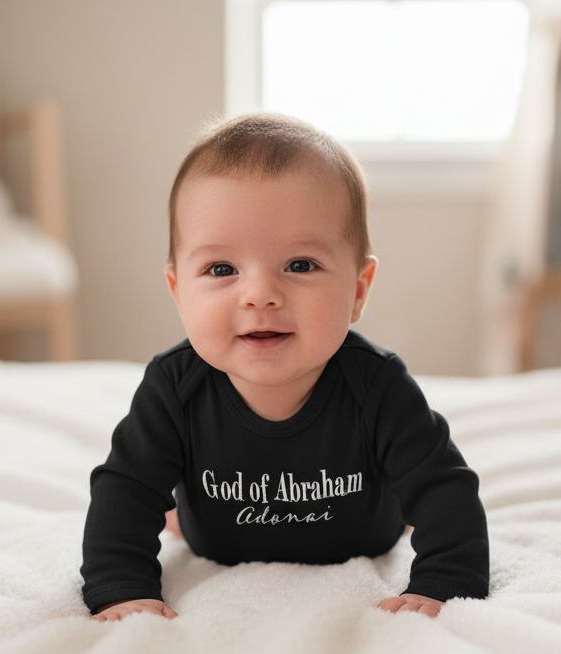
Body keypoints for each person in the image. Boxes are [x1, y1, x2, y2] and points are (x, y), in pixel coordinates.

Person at [81, 113, 489, 623]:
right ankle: (183, 515)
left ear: (358, 290)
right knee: (159, 501)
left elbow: (444, 487)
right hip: (214, 539)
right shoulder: (174, 387)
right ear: (178, 292)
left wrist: (447, 579)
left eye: (300, 265)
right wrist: (121, 587)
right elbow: (125, 489)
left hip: (368, 533)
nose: (260, 295)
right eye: (221, 269)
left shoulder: (378, 385)